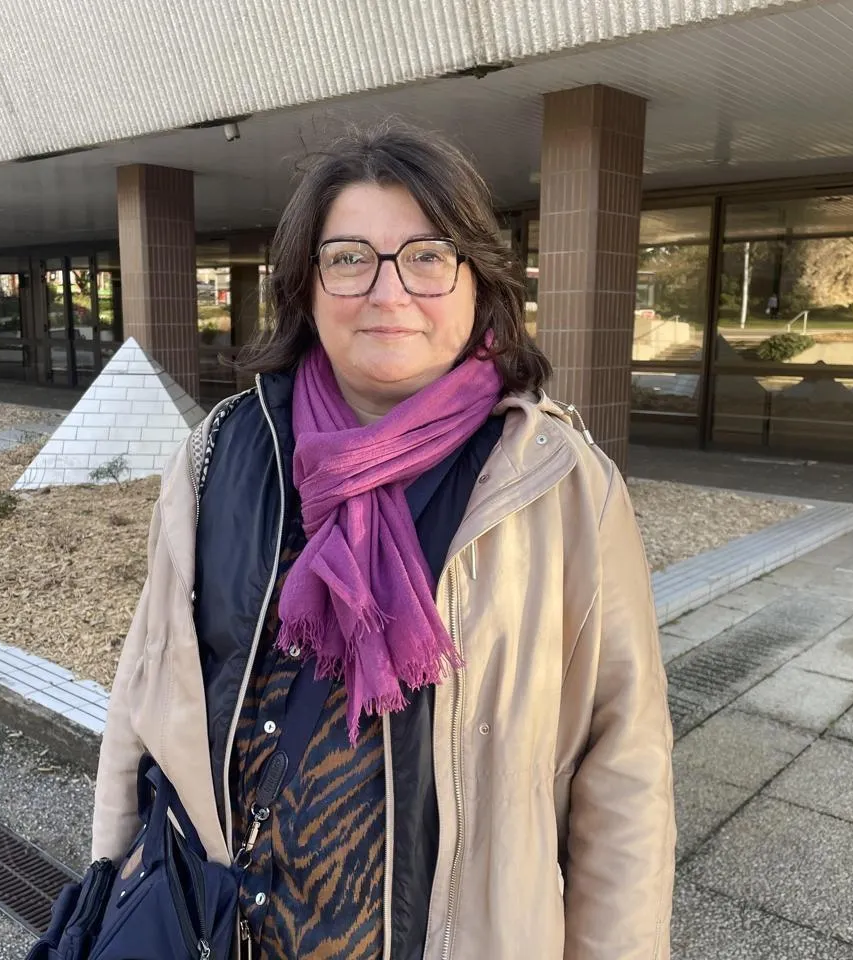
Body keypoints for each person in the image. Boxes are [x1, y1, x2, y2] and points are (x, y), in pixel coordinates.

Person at [91, 122, 675, 960]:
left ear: (479, 280)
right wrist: (111, 873)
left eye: (427, 256)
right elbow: (145, 692)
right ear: (307, 284)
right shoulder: (224, 450)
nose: (388, 291)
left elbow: (626, 769)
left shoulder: (557, 485)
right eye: (349, 258)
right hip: (211, 927)